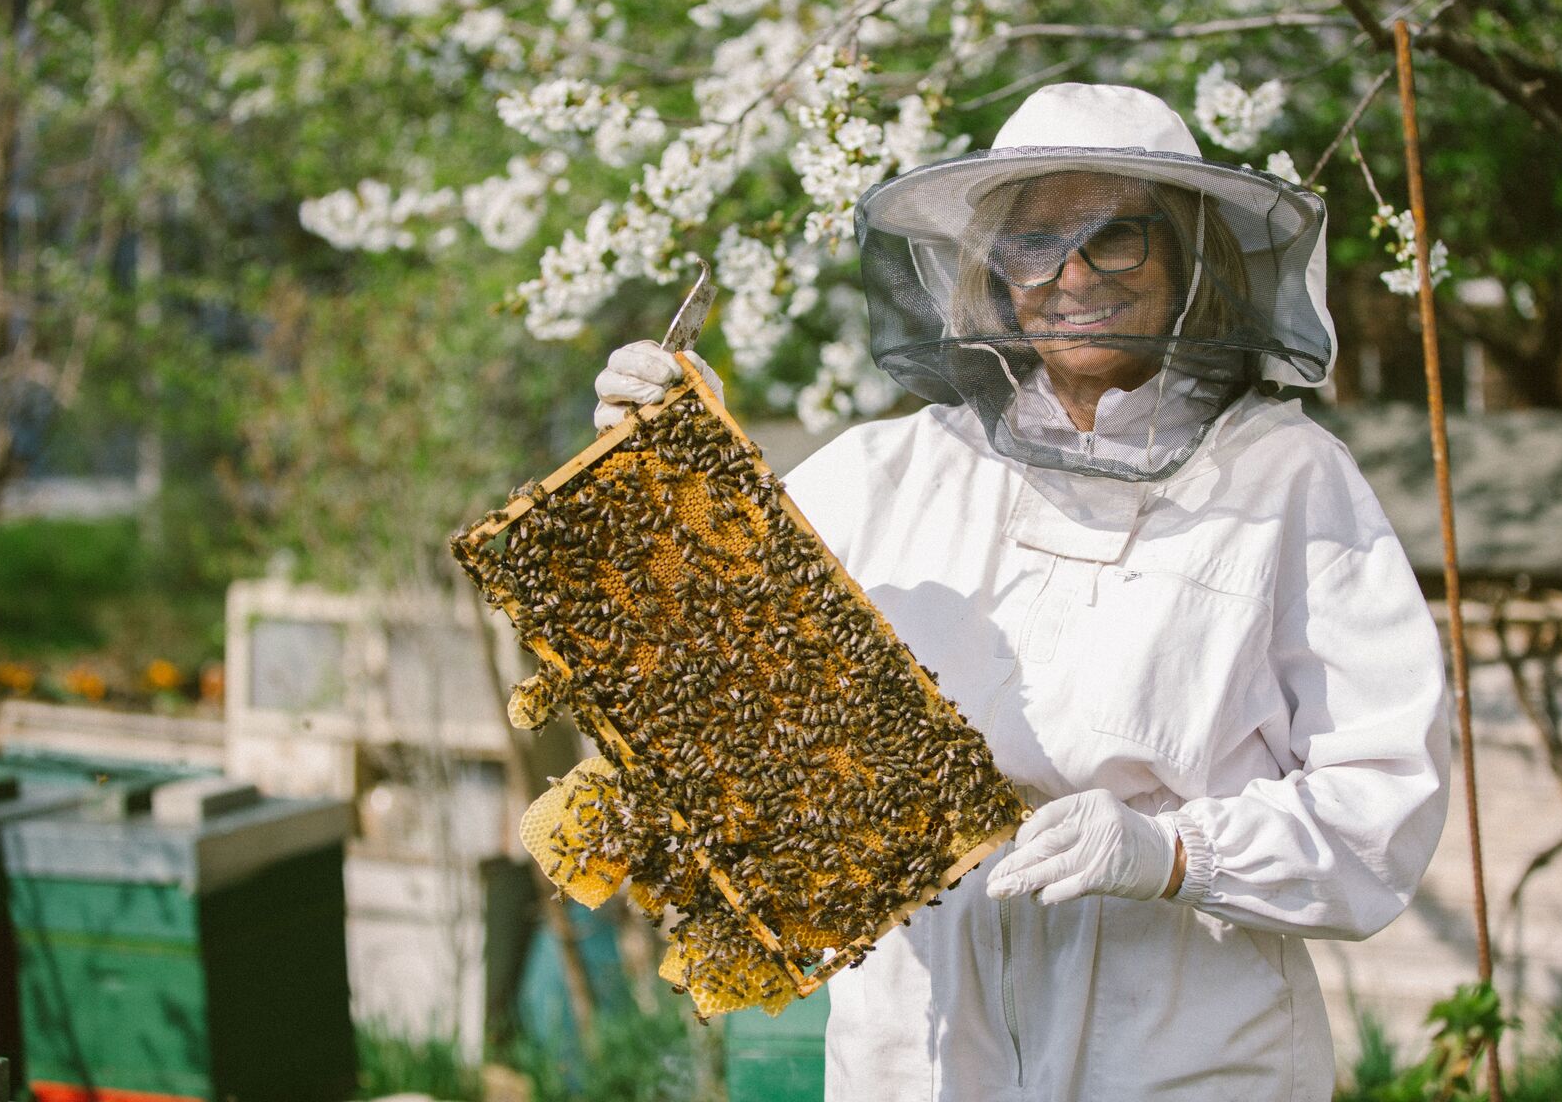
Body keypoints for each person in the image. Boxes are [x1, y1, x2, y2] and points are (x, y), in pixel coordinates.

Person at [594, 83, 1450, 1101]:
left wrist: (1170, 852)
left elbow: (1383, 802)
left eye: (1115, 237)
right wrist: (675, 486)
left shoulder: (1291, 482)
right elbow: (715, 676)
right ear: (993, 275)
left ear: (1188, 256)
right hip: (914, 1046)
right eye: (1031, 244)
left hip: (1177, 1049)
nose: (1071, 273)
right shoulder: (888, 472)